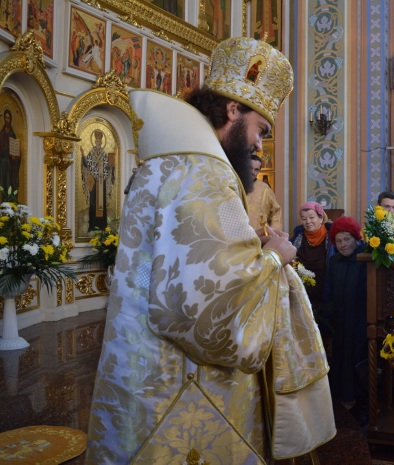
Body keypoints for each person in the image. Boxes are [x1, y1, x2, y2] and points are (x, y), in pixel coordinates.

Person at [86, 37, 335, 464]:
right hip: (182, 384)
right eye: (261, 129)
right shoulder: (207, 172)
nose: (258, 145)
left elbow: (182, 265)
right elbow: (207, 302)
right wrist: (276, 256)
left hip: (140, 363)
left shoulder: (165, 163)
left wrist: (247, 247)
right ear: (233, 110)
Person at [326, 216, 368, 422]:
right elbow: (329, 292)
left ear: (355, 239)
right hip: (340, 321)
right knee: (340, 360)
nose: (343, 245)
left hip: (359, 321)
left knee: (356, 360)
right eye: (339, 241)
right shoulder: (334, 262)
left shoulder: (364, 258)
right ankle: (342, 400)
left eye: (347, 239)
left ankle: (359, 404)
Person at [291, 201, 335, 333]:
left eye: (311, 217)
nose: (308, 221)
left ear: (321, 218)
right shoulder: (297, 238)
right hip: (302, 297)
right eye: (304, 219)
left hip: (326, 297)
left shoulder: (333, 239)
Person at [81, 129, 115, 231]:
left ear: (101, 142)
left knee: (102, 203)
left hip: (102, 181)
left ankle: (102, 225)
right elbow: (87, 164)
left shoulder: (104, 153)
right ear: (95, 141)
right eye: (97, 141)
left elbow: (107, 166)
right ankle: (92, 225)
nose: (98, 143)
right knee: (93, 202)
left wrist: (108, 166)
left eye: (100, 141)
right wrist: (83, 155)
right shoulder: (91, 152)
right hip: (93, 182)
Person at [247, 154, 282, 231]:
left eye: (256, 169)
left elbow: (276, 211)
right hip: (237, 236)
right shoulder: (235, 185)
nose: (253, 172)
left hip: (260, 234)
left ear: (259, 170)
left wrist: (274, 231)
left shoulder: (265, 188)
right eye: (250, 168)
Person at [0, 108, 19, 195]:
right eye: (6, 118)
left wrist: (14, 157)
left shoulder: (12, 134)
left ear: (11, 119)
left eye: (8, 118)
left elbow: (17, 153)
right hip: (2, 162)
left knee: (9, 182)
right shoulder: (1, 133)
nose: (7, 120)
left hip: (10, 162)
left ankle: (8, 200)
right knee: (3, 183)